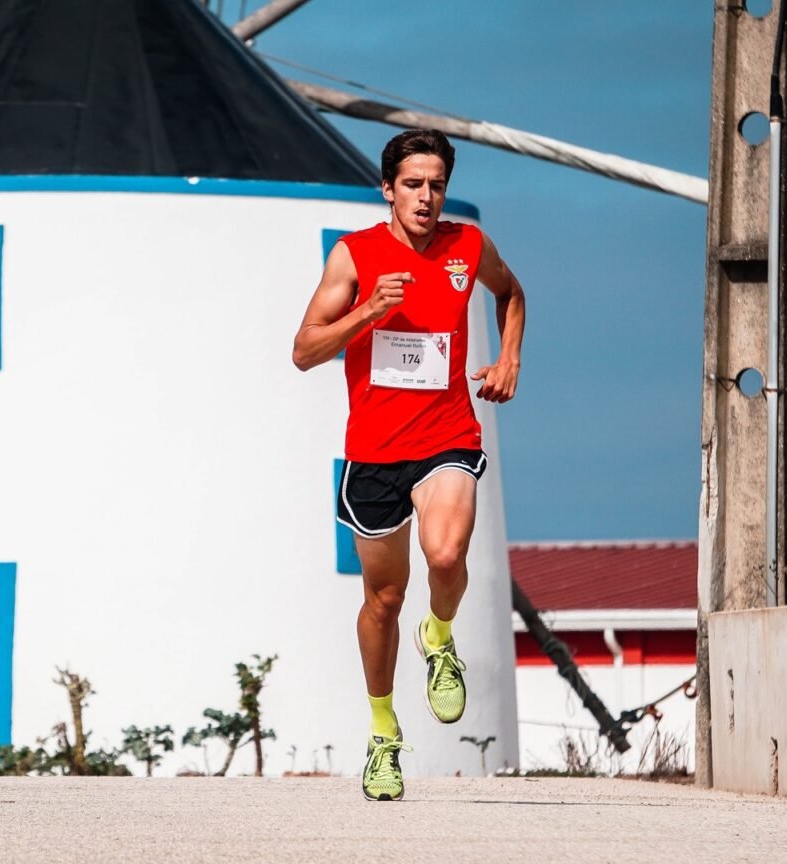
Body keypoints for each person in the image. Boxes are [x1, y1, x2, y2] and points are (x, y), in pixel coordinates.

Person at [291, 129, 527, 801]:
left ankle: (441, 635)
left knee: (447, 554)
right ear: (388, 189)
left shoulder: (467, 247)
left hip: (448, 435)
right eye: (414, 184)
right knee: (383, 599)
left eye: (437, 185)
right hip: (373, 456)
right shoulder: (355, 255)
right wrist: (369, 310)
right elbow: (305, 350)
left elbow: (510, 293)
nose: (427, 197)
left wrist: (508, 358)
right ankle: (384, 732)